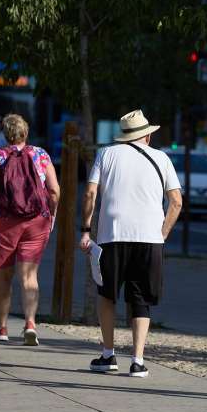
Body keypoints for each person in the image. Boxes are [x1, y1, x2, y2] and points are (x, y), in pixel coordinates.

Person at [78, 109, 183, 378]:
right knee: (141, 299)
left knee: (106, 295)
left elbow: (89, 193)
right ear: (147, 136)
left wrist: (86, 231)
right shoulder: (162, 158)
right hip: (149, 239)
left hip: (112, 236)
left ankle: (108, 355)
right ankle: (137, 362)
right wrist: (161, 235)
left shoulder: (106, 154)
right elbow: (176, 202)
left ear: (124, 136)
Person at [0, 114, 59, 346]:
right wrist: (52, 214)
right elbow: (54, 190)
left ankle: (1, 327)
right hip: (37, 220)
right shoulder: (41, 155)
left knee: (4, 275)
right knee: (29, 276)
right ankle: (30, 324)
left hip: (4, 221)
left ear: (5, 135)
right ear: (26, 133)